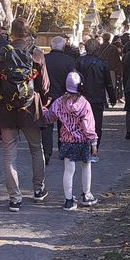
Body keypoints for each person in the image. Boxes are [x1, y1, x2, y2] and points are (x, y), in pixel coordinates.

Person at [0, 17, 50, 212]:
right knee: (36, 149)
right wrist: (44, 101)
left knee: (9, 153)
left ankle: (15, 198)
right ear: (28, 33)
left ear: (10, 34)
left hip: (7, 109)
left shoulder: (1, 54)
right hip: (31, 108)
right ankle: (38, 190)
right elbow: (44, 85)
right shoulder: (37, 54)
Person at [43, 72, 99, 211]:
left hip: (67, 141)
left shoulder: (59, 103)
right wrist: (93, 141)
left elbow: (49, 118)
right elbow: (88, 125)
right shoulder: (84, 104)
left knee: (68, 170)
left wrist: (43, 108)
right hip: (83, 140)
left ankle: (68, 200)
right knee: (86, 166)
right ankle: (87, 195)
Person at [76, 38, 116, 162]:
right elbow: (108, 83)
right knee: (96, 126)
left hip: (82, 98)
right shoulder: (103, 64)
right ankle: (94, 151)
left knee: (81, 124)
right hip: (97, 98)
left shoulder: (79, 62)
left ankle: (82, 150)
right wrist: (112, 98)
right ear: (98, 49)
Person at [42, 36, 76, 165]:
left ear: (51, 47)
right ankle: (63, 150)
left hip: (47, 97)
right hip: (64, 97)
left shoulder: (44, 59)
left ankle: (47, 151)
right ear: (63, 47)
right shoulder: (69, 61)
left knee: (47, 125)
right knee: (64, 124)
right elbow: (73, 80)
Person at [98, 33, 122, 107]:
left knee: (102, 85)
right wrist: (119, 72)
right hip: (111, 69)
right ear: (110, 39)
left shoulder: (99, 47)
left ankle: (104, 100)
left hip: (100, 68)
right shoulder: (113, 48)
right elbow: (117, 61)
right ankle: (109, 100)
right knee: (111, 85)